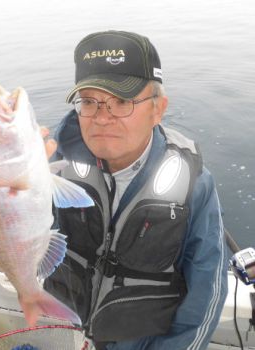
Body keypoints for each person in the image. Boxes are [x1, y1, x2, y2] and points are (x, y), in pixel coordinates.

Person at [43, 30, 228, 350]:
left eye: (122, 101)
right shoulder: (55, 164)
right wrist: (9, 188)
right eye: (89, 102)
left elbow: (206, 293)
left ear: (158, 109)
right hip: (73, 323)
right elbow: (26, 244)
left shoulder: (193, 186)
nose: (102, 118)